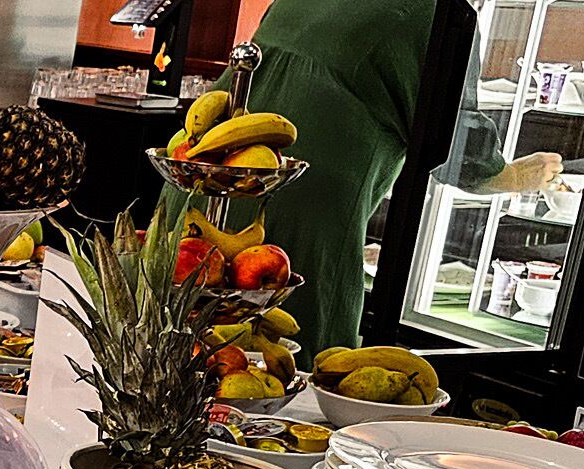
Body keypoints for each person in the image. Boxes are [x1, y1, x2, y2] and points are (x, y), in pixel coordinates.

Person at [182, 0, 563, 359]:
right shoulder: (434, 13)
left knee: (184, 355)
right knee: (290, 366)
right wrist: (515, 176)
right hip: (298, 210)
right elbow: (457, 145)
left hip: (205, 174)